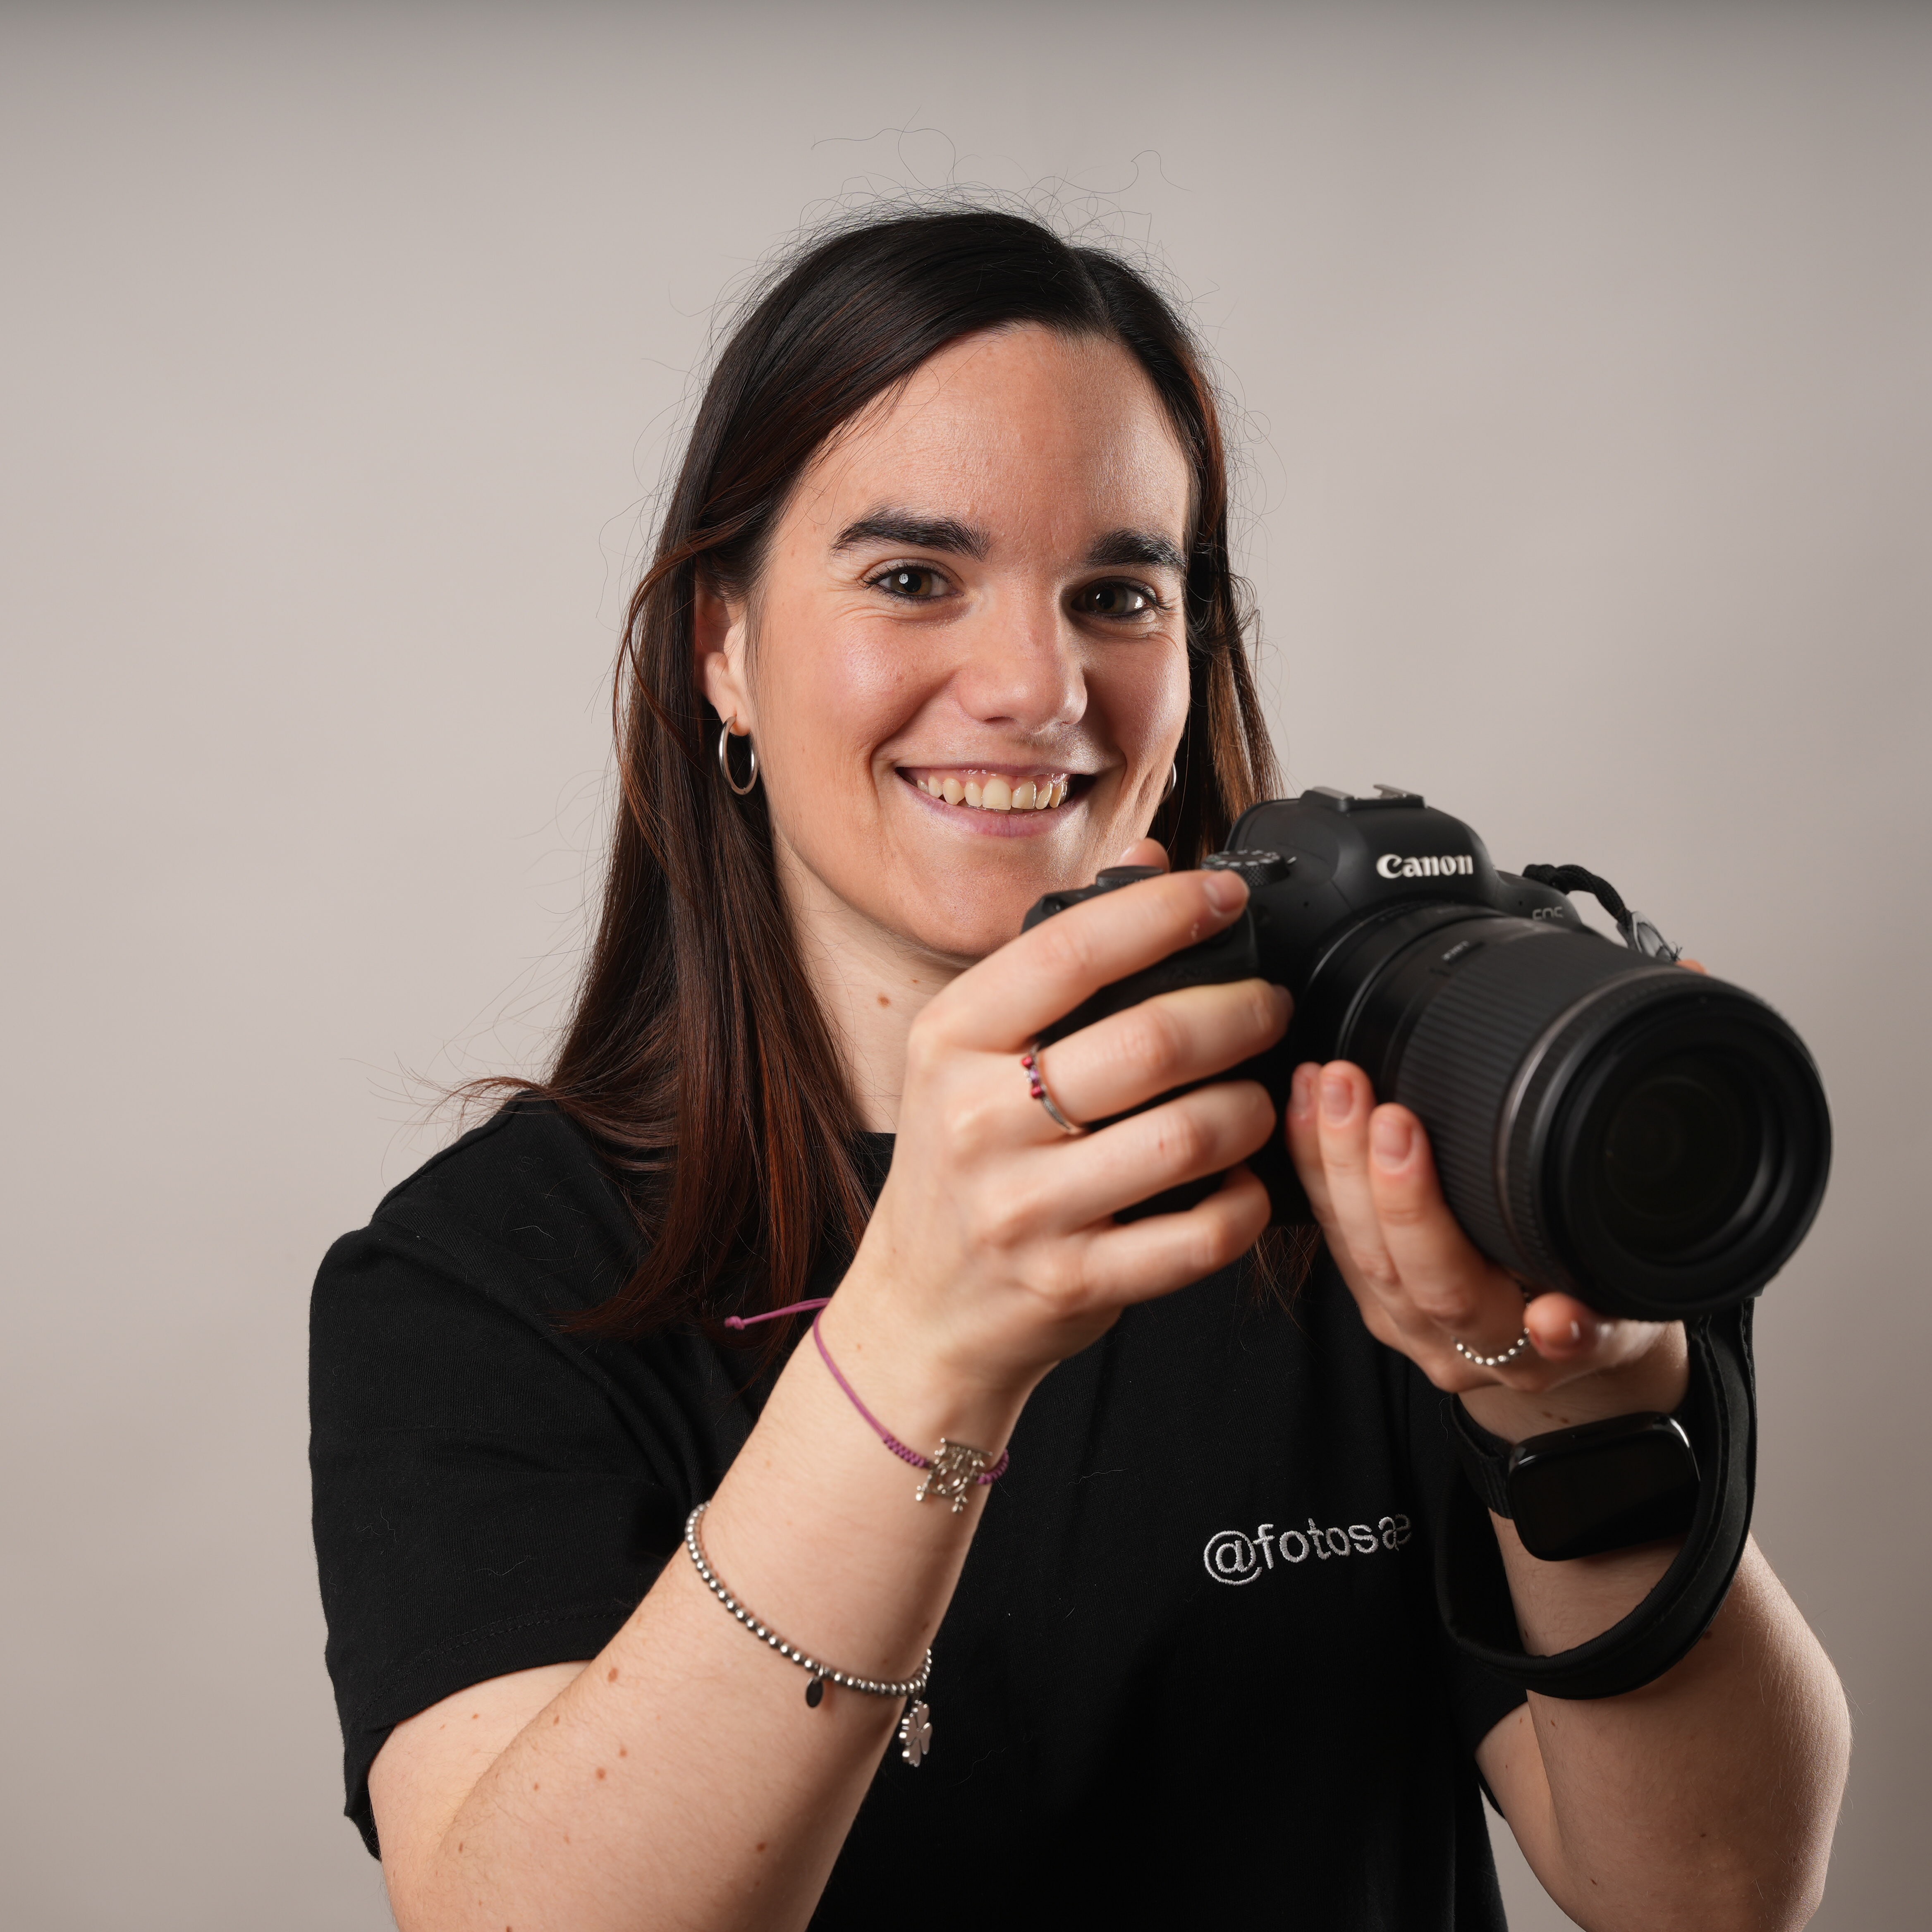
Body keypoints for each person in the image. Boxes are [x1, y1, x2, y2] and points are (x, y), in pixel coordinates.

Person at [310, 207, 1849, 1931]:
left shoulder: (1378, 1161)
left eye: (1118, 595)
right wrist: (923, 1338)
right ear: (719, 648)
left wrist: (1572, 1414)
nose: (1039, 687)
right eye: (913, 579)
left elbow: (1711, 1898)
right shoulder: (481, 1283)